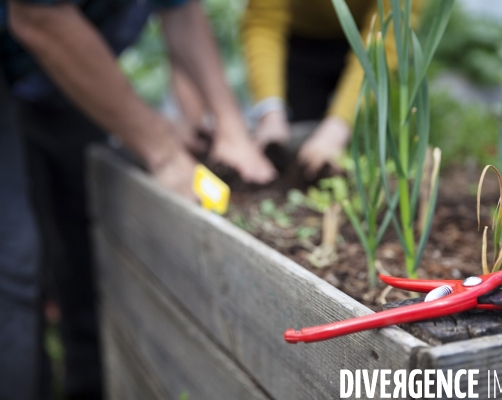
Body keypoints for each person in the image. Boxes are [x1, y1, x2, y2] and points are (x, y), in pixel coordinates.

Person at [0, 1, 276, 399]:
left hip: (62, 65)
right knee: (14, 262)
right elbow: (39, 17)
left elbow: (181, 11)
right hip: (39, 41)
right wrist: (161, 149)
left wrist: (231, 127)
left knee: (85, 237)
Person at [242, 0, 424, 178]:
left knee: (354, 138)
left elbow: (385, 38)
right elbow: (264, 22)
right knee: (295, 142)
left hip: (365, 39)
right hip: (299, 40)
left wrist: (338, 127)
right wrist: (270, 112)